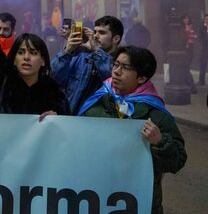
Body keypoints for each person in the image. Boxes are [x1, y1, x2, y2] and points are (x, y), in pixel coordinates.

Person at [79, 46, 187, 214]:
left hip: (138, 201)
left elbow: (177, 161)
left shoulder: (156, 114)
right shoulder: (96, 102)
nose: (116, 71)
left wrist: (160, 142)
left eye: (125, 67)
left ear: (142, 77)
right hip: (97, 197)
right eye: (116, 65)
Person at [51, 15, 122, 114]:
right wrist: (67, 52)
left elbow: (112, 79)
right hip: (71, 117)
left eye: (102, 33)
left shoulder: (120, 61)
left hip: (99, 120)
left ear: (116, 39)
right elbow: (54, 79)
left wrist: (96, 50)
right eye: (95, 32)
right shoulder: (81, 56)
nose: (95, 36)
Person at [199, 14, 208, 86]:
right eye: (206, 19)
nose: (207, 20)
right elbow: (200, 37)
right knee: (203, 65)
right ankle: (201, 81)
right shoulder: (202, 27)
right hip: (205, 48)